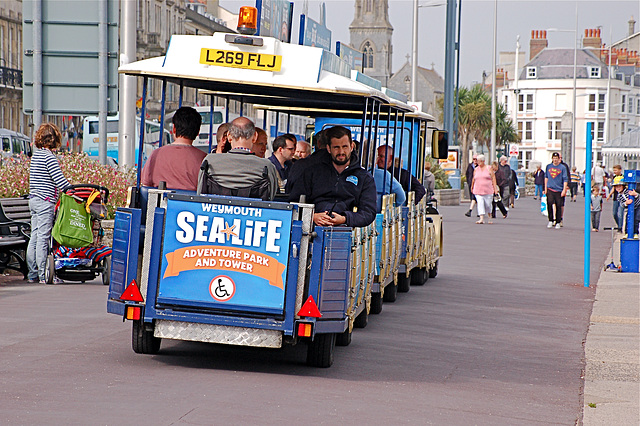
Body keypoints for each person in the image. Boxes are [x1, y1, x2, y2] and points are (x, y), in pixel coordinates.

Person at [288, 126, 376, 227]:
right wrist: (313, 216)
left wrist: (344, 218)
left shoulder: (364, 178)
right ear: (329, 148)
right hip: (312, 229)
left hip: (347, 232)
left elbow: (368, 213)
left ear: (352, 147)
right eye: (336, 147)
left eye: (345, 147)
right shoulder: (312, 172)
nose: (341, 152)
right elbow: (294, 204)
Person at [27, 123, 71, 283]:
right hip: (45, 202)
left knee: (35, 236)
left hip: (33, 200)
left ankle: (32, 274)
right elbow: (59, 180)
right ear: (54, 139)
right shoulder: (49, 157)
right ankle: (43, 275)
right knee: (43, 238)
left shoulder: (36, 155)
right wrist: (71, 189)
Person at [198, 117, 278, 200]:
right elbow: (270, 199)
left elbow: (200, 195)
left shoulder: (210, 161)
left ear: (229, 136)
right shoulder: (266, 166)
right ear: (254, 137)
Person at [141, 106, 206, 191]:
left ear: (174, 128)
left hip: (161, 203)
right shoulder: (204, 159)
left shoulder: (156, 155)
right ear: (198, 132)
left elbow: (146, 184)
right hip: (190, 203)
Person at [470, 154, 498, 224]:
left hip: (488, 190)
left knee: (488, 205)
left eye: (480, 161)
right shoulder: (476, 169)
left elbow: (493, 178)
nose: (478, 163)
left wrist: (495, 189)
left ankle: (489, 216)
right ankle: (481, 218)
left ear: (483, 161)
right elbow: (474, 179)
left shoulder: (489, 168)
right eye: (477, 161)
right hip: (478, 190)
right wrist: (472, 187)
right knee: (480, 203)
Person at [544, 152, 568, 229]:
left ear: (559, 159)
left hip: (559, 189)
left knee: (558, 205)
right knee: (549, 204)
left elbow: (565, 179)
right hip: (550, 188)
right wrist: (545, 188)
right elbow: (546, 177)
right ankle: (550, 220)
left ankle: (558, 221)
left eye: (556, 159)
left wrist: (564, 189)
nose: (555, 160)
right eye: (554, 159)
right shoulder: (548, 166)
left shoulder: (562, 168)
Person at [606, 164, 624, 231]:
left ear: (620, 170)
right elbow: (614, 187)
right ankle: (618, 224)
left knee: (620, 213)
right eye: (614, 170)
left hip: (622, 197)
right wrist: (609, 194)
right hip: (615, 196)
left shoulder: (623, 177)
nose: (614, 171)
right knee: (614, 213)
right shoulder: (614, 177)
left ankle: (620, 227)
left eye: (616, 170)